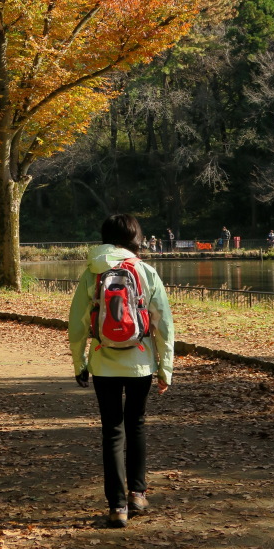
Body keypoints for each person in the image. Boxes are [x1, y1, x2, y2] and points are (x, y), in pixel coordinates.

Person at [68, 214, 174, 529]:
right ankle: (138, 493)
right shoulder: (145, 272)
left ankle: (117, 506)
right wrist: (164, 368)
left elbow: (77, 324)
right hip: (141, 361)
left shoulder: (92, 272)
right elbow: (163, 325)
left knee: (112, 431)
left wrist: (79, 362)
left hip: (103, 361)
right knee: (137, 425)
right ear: (135, 239)